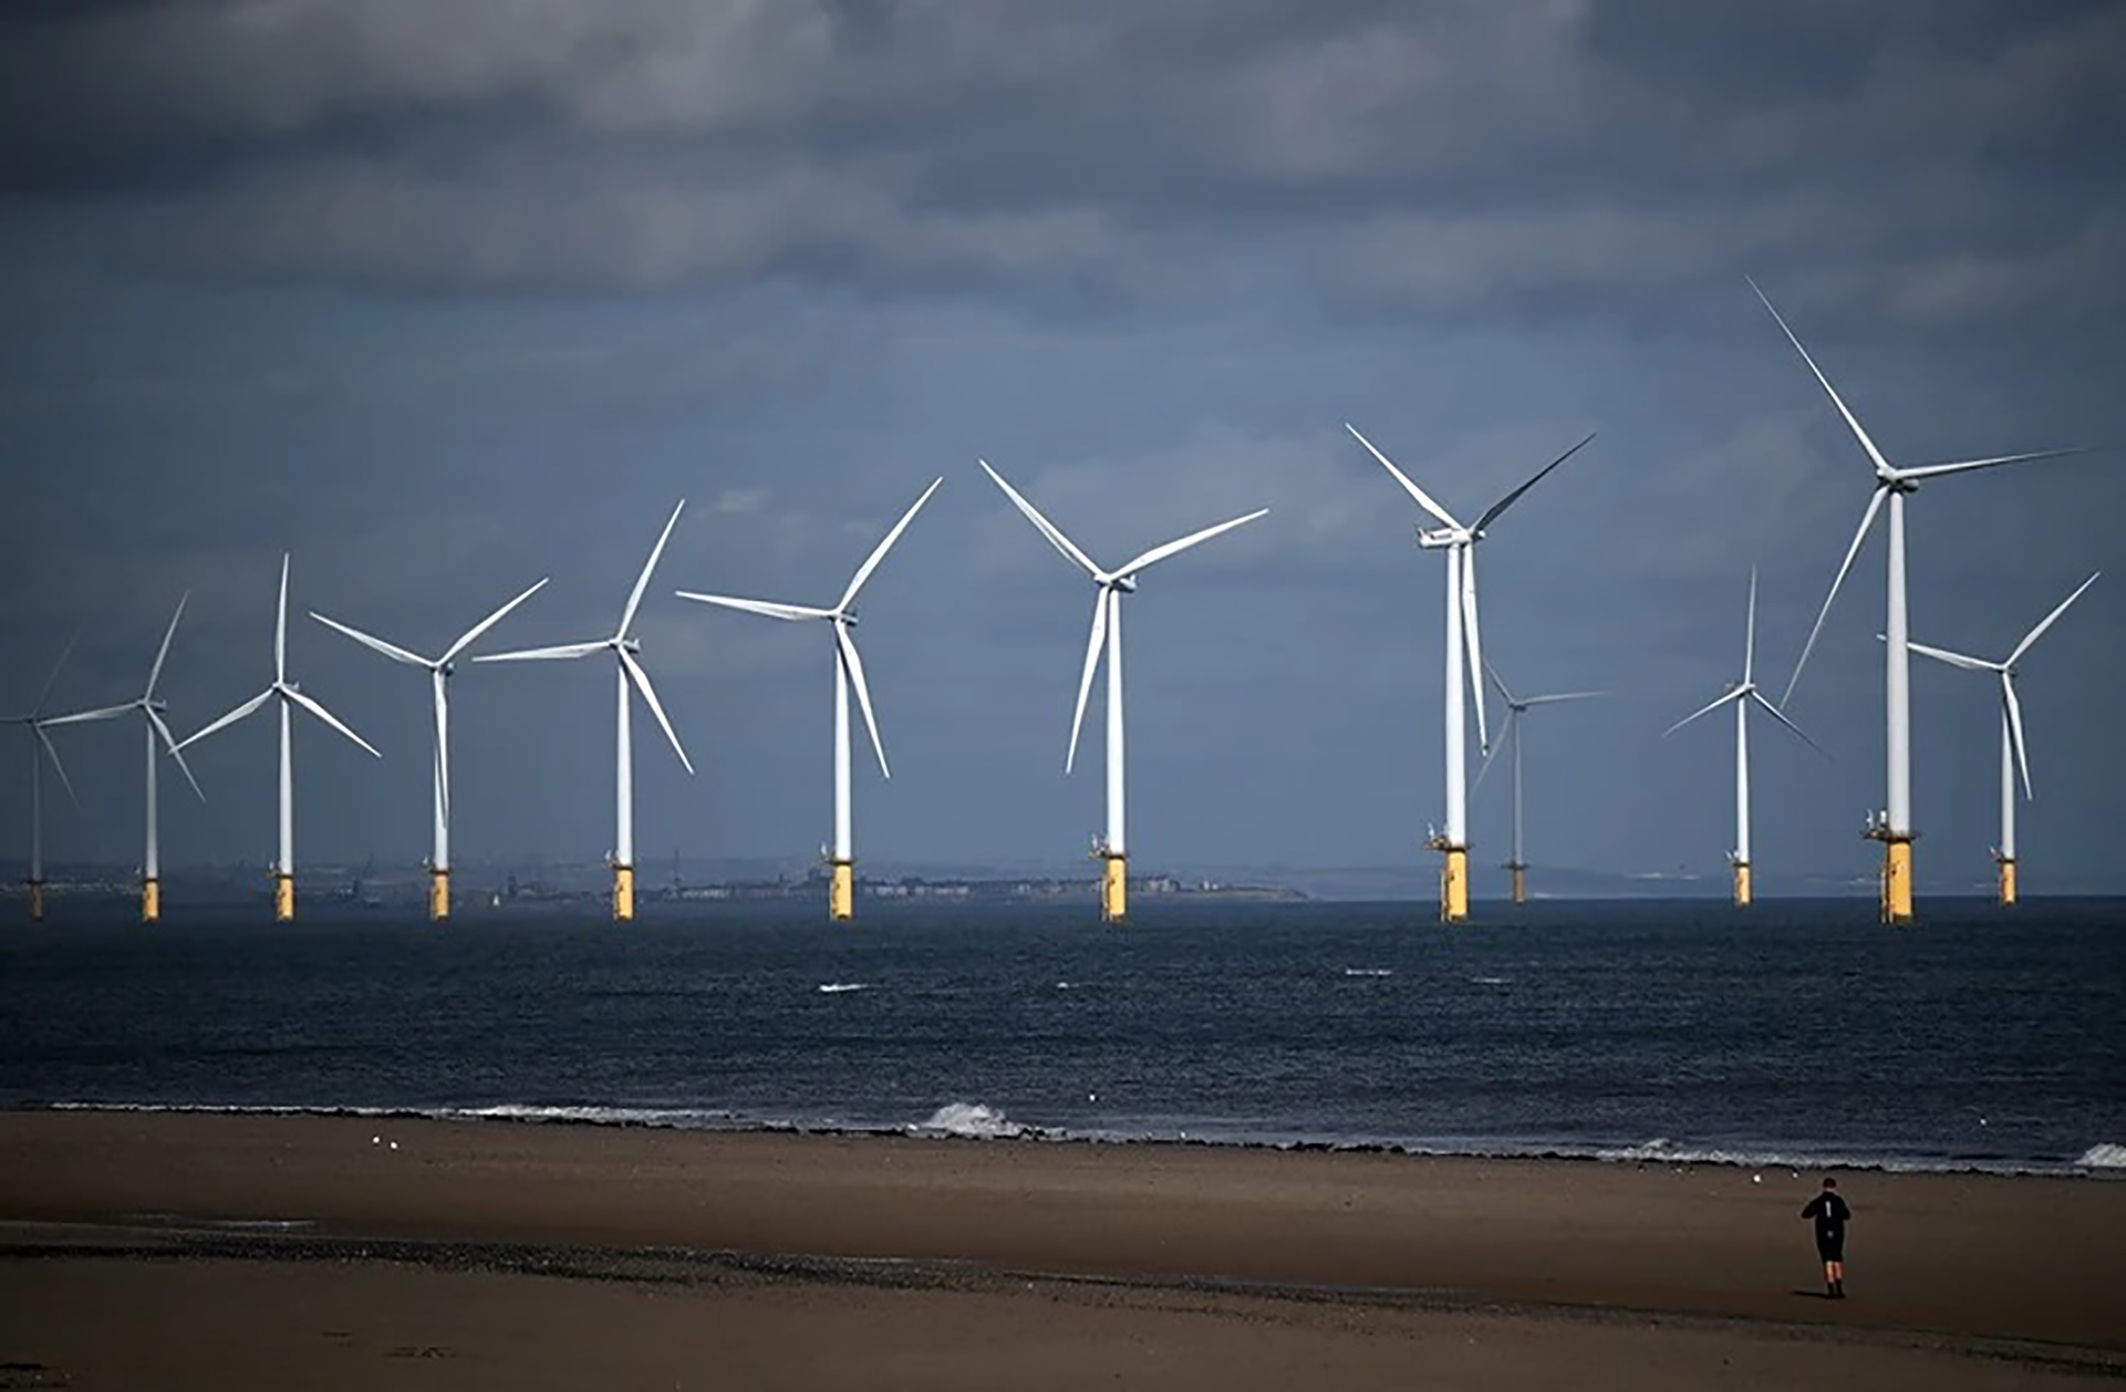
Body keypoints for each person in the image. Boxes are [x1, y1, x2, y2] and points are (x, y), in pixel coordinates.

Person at [1800, 1176, 1851, 1297]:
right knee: (1837, 1259)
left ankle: (1831, 1288)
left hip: (1823, 1232)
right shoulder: (1839, 1200)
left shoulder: (1818, 1201)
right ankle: (1839, 1288)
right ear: (1834, 1187)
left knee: (1827, 1260)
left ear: (1823, 1187)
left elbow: (1805, 1214)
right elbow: (1847, 1215)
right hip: (1837, 1232)